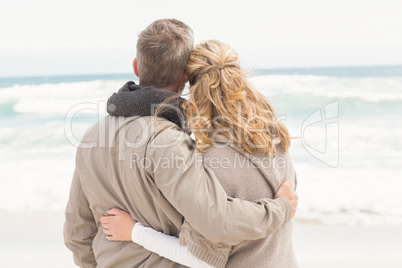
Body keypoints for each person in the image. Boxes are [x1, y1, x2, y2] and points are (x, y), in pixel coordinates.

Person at [64, 19, 298, 268]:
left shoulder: (92, 136)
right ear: (185, 75)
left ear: (136, 66)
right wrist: (281, 208)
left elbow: (77, 234)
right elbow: (215, 221)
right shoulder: (169, 141)